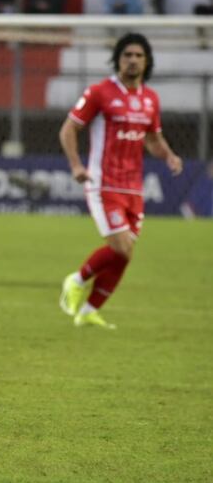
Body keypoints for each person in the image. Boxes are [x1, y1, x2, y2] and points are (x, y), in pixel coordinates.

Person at [58, 33, 183, 328]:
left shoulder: (150, 99)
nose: (133, 60)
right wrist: (77, 165)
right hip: (103, 183)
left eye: (139, 55)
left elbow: (152, 139)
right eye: (127, 55)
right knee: (121, 247)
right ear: (118, 59)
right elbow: (68, 130)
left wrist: (169, 156)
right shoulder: (100, 92)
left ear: (147, 61)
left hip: (134, 187)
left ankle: (88, 311)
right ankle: (75, 280)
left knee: (124, 254)